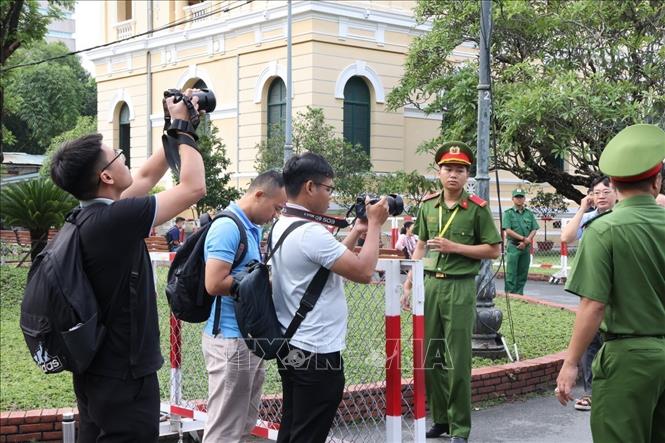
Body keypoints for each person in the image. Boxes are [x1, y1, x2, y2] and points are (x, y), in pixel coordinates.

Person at [49, 90, 206, 442]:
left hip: (97, 369)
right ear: (106, 177)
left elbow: (149, 175)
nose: (125, 162)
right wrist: (187, 132)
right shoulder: (116, 220)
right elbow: (194, 188)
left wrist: (174, 126)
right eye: (118, 157)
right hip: (125, 376)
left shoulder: (88, 217)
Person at [555, 124, 665, 443]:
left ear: (613, 184)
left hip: (629, 357)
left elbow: (593, 304)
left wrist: (571, 362)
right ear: (657, 181)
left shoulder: (605, 230)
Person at [269, 152, 389, 443]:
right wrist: (374, 225)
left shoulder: (285, 223)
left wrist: (357, 231)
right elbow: (363, 271)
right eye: (329, 189)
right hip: (317, 353)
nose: (330, 196)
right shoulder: (310, 232)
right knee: (309, 433)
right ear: (310, 187)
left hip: (292, 344)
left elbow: (325, 265)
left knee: (294, 425)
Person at [402, 142, 501, 443]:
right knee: (429, 355)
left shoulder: (477, 209)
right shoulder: (427, 205)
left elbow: (493, 250)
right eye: (448, 169)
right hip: (429, 284)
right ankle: (441, 419)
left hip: (459, 286)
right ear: (438, 172)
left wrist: (454, 247)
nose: (453, 175)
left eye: (459, 170)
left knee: (457, 359)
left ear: (467, 174)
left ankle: (460, 427)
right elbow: (420, 245)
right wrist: (408, 284)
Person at [202, 171, 287, 443]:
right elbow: (214, 283)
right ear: (259, 194)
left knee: (242, 423)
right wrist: (257, 284)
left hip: (246, 339)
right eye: (276, 207)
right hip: (230, 339)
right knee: (225, 428)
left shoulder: (250, 227)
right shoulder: (229, 227)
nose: (276, 214)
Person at [559, 175, 617, 412]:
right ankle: (592, 393)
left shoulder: (622, 219)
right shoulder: (590, 219)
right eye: (596, 192)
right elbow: (566, 237)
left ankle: (613, 392)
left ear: (617, 193)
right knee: (590, 342)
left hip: (616, 296)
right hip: (592, 289)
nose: (600, 196)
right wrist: (583, 208)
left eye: (606, 191)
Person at [501, 188, 539, 295]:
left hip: (525, 247)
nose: (519, 199)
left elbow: (534, 228)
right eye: (517, 197)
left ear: (524, 199)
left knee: (523, 272)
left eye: (521, 197)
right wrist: (523, 239)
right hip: (514, 246)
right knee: (511, 272)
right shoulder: (508, 213)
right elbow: (508, 230)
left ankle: (519, 293)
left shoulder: (529, 213)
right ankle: (510, 294)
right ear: (512, 199)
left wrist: (526, 242)